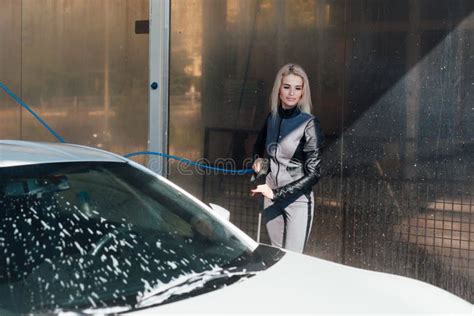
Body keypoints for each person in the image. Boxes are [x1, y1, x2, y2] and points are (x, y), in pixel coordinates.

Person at [251, 63, 324, 253]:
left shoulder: (309, 124)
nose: (291, 93)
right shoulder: (271, 118)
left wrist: (277, 193)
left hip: (297, 201)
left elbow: (314, 174)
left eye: (297, 88)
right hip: (270, 198)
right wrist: (258, 163)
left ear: (302, 93)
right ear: (278, 90)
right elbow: (259, 149)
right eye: (287, 87)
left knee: (292, 259)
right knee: (275, 255)